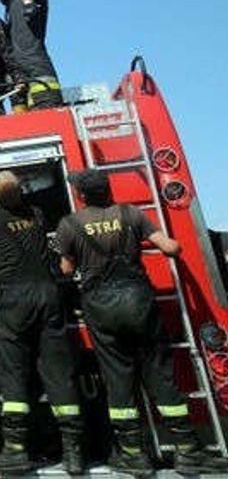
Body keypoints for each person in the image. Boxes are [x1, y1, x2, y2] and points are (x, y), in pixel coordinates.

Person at [56, 169, 228, 476]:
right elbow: (171, 248)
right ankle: (188, 451)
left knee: (117, 379)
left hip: (100, 307)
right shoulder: (131, 213)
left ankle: (133, 455)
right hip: (139, 302)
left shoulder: (69, 225)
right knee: (160, 374)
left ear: (81, 196)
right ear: (107, 190)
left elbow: (66, 270)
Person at [0, 171, 83, 475]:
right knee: (58, 371)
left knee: (13, 371)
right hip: (48, 295)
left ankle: (15, 450)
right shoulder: (37, 214)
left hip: (12, 301)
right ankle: (74, 453)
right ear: (23, 193)